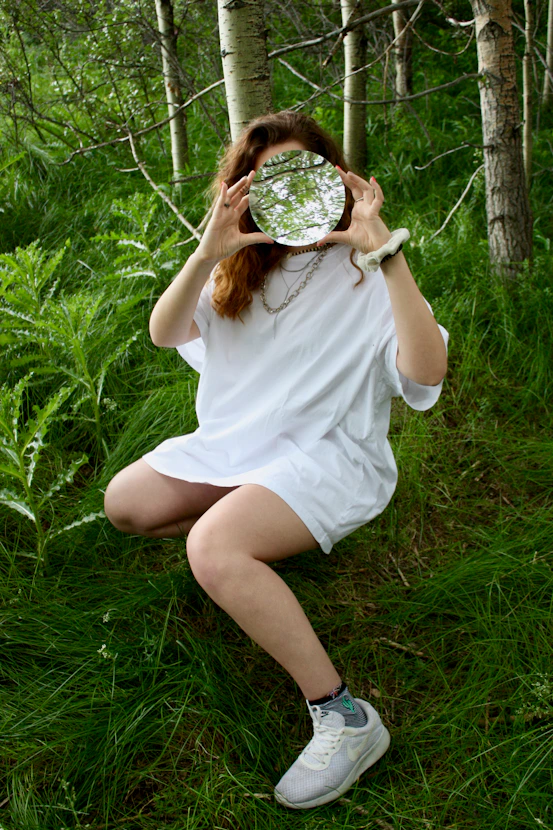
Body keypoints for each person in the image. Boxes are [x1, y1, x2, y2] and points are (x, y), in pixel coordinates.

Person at [104, 110, 448, 810]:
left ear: (336, 181)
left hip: (330, 454)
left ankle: (345, 717)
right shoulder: (237, 266)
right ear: (242, 193)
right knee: (126, 503)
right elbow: (165, 333)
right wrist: (205, 251)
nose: (286, 194)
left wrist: (387, 252)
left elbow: (425, 374)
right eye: (265, 181)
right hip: (241, 445)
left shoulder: (364, 269)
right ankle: (249, 549)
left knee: (212, 546)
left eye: (301, 174)